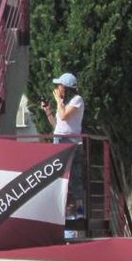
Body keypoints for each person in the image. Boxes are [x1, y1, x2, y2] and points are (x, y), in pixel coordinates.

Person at [43, 72, 86, 218]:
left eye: (59, 86)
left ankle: (79, 208)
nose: (57, 89)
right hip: (59, 139)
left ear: (66, 88)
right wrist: (48, 111)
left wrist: (57, 101)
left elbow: (64, 115)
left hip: (71, 142)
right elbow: (58, 125)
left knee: (74, 175)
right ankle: (60, 208)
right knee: (58, 175)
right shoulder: (63, 104)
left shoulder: (77, 100)